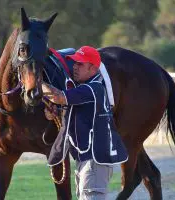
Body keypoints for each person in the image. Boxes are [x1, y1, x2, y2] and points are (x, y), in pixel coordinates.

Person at [42, 46, 128, 200]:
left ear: (93, 68)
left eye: (80, 64)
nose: (74, 66)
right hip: (86, 159)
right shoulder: (83, 89)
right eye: (74, 63)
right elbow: (63, 107)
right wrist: (53, 113)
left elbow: (59, 97)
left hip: (94, 162)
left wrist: (34, 81)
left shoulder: (94, 88)